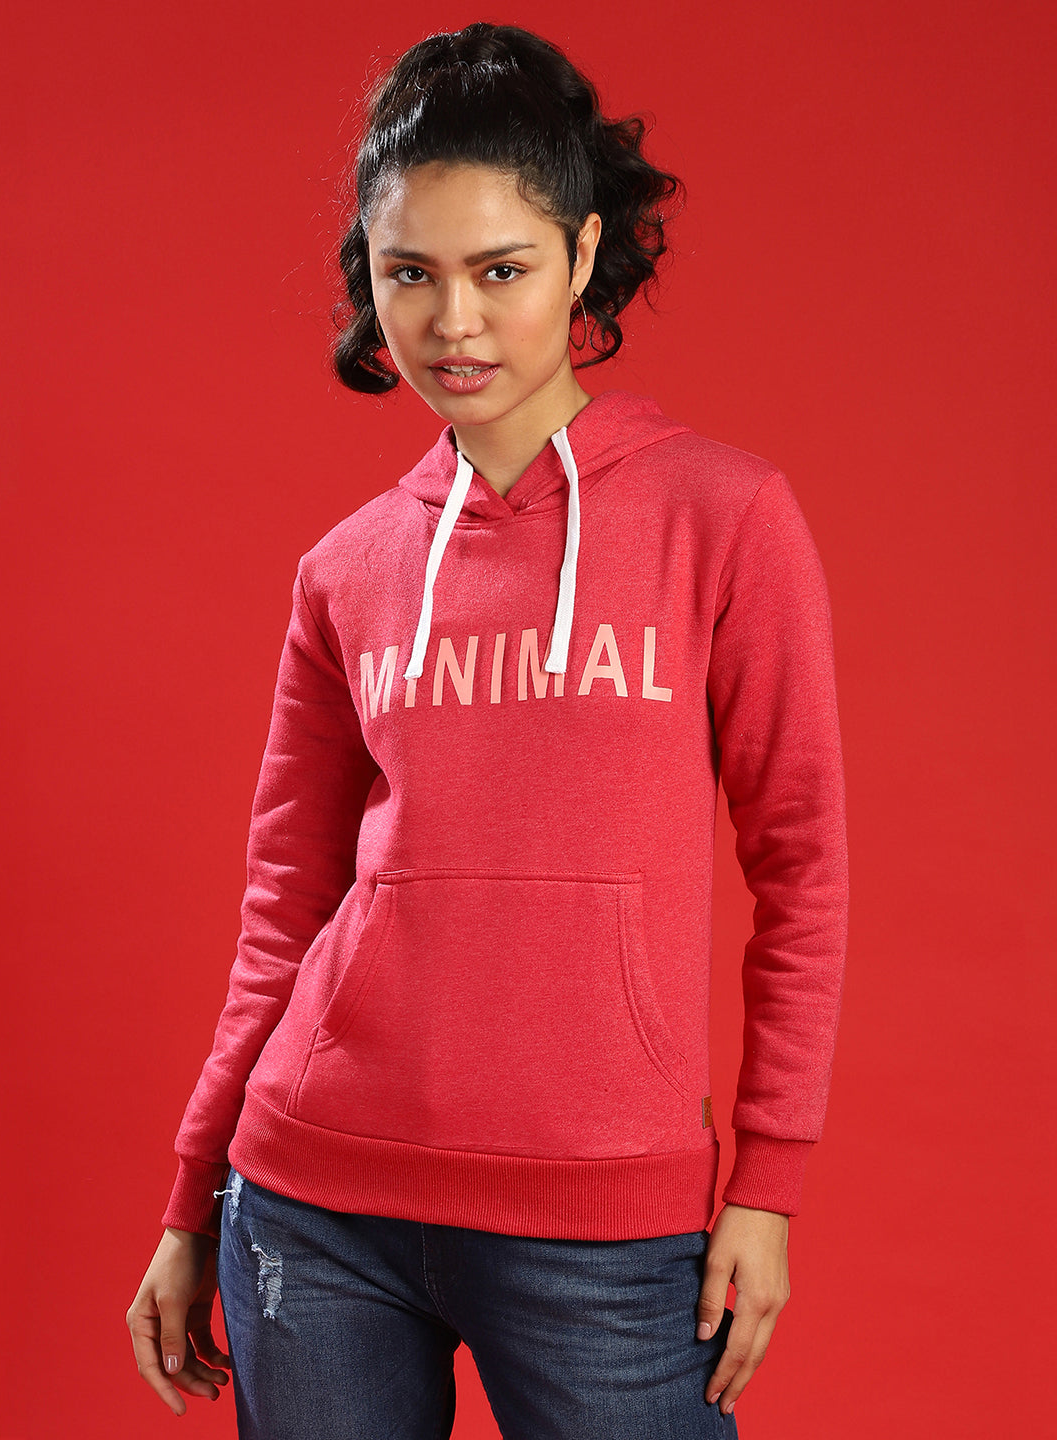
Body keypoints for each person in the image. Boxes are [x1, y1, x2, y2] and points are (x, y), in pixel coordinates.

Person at [126, 21, 849, 1438]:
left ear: (583, 257)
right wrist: (190, 1199)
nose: (454, 322)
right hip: (313, 1207)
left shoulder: (724, 517)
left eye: (500, 270)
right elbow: (285, 910)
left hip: (601, 1224)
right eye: (412, 274)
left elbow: (804, 867)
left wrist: (768, 1182)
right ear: (372, 279)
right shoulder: (346, 569)